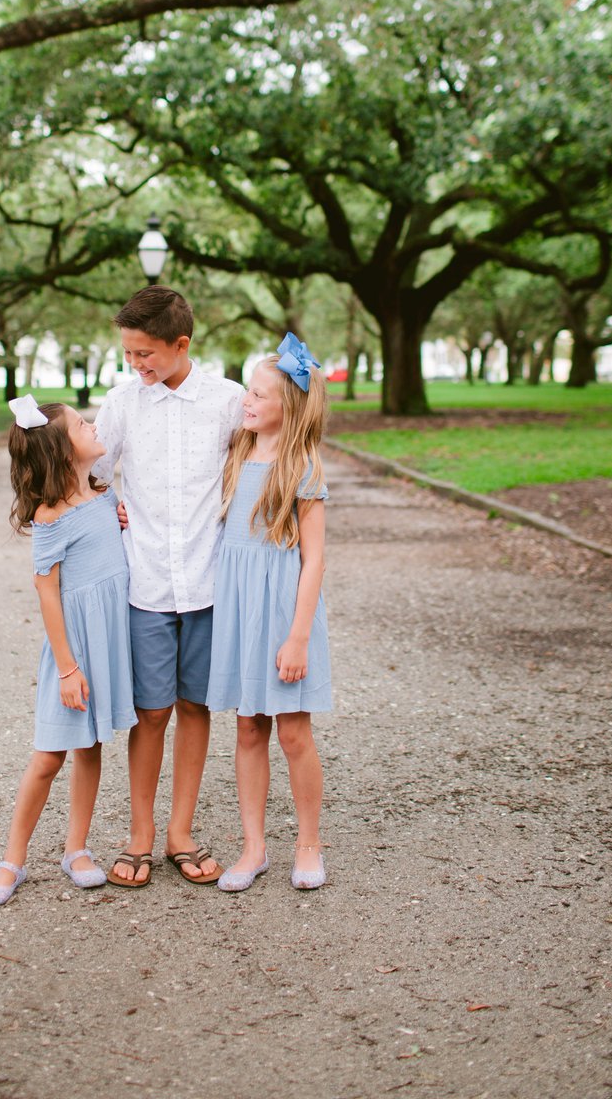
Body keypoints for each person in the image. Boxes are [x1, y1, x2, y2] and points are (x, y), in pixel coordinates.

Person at [93, 286, 244, 887]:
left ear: (181, 345)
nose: (136, 365)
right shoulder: (124, 402)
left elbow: (253, 466)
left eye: (145, 354)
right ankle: (140, 834)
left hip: (209, 581)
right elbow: (92, 470)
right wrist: (111, 507)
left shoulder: (228, 402)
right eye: (128, 355)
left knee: (195, 705)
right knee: (150, 711)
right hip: (147, 583)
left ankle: (181, 831)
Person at [0, 393, 136, 906]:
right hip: (74, 653)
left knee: (90, 748)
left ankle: (76, 848)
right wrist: (67, 668)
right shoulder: (50, 517)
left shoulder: (105, 497)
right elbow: (47, 592)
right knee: (48, 756)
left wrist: (124, 518)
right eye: (82, 425)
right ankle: (11, 860)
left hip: (109, 639)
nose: (93, 427)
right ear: (63, 452)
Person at [206, 332, 331, 892]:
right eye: (247, 393)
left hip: (282, 613)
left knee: (293, 733)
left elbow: (315, 559)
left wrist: (298, 636)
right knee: (248, 728)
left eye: (258, 395)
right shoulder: (236, 453)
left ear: (290, 407)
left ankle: (308, 843)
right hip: (238, 610)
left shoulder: (301, 466)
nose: (246, 402)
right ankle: (253, 846)